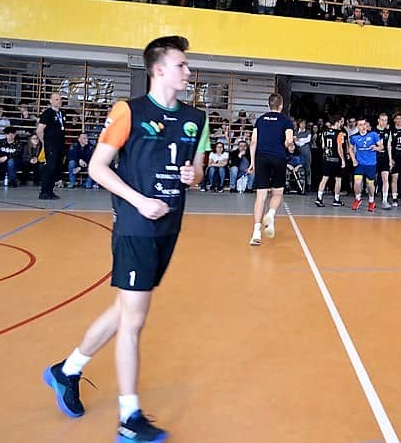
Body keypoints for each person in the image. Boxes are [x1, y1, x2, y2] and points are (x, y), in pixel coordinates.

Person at [43, 35, 209, 443]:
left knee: (124, 310)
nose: (188, 71)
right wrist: (139, 201)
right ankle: (129, 418)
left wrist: (195, 175)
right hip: (135, 224)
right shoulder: (128, 111)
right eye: (181, 65)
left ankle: (67, 370)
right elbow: (98, 167)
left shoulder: (196, 118)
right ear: (159, 69)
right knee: (134, 319)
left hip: (169, 227)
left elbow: (199, 169)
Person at [248, 94, 294, 246]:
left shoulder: (260, 120)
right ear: (281, 105)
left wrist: (252, 162)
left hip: (261, 157)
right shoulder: (286, 121)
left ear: (269, 105)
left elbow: (253, 142)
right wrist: (287, 145)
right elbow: (289, 140)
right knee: (277, 193)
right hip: (278, 157)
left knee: (261, 195)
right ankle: (271, 213)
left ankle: (256, 232)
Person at [36, 92, 66, 200]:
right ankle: (44, 192)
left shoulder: (62, 113)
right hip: (51, 145)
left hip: (60, 145)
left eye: (60, 99)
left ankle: (50, 191)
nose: (59, 101)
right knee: (50, 167)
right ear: (51, 101)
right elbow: (39, 130)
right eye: (56, 99)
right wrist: (44, 142)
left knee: (57, 168)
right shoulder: (47, 113)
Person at [349, 119, 384, 212]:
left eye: (364, 124)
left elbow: (381, 147)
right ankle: (357, 199)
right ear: (357, 127)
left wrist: (376, 148)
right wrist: (353, 160)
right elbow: (350, 149)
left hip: (371, 164)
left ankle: (371, 201)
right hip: (359, 164)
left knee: (370, 184)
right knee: (357, 182)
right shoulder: (354, 137)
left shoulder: (373, 135)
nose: (363, 126)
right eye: (360, 125)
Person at [315, 115, 346, 207]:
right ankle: (336, 199)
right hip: (336, 159)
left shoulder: (324, 132)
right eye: (340, 122)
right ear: (336, 122)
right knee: (338, 179)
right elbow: (340, 148)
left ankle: (319, 198)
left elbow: (323, 146)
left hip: (326, 158)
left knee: (324, 178)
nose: (341, 124)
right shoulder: (340, 133)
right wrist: (343, 160)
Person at [371, 113, 392, 208]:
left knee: (385, 179)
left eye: (386, 120)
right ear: (378, 120)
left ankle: (385, 200)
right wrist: (377, 148)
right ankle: (371, 200)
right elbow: (370, 145)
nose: (384, 122)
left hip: (384, 158)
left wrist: (390, 160)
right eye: (382, 120)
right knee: (372, 179)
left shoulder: (388, 132)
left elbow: (389, 146)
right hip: (374, 158)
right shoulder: (373, 131)